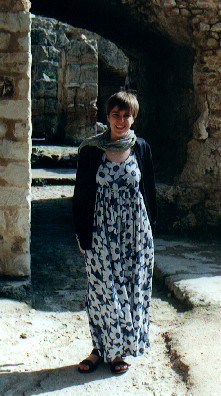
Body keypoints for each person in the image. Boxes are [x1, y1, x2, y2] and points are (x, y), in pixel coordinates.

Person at [73, 91, 157, 375]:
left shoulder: (141, 148)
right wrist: (82, 234)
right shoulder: (91, 150)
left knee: (131, 289)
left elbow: (150, 193)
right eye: (115, 115)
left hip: (135, 233)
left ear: (133, 118)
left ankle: (118, 351)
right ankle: (99, 349)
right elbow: (81, 195)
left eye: (127, 116)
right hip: (100, 231)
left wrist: (149, 233)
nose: (121, 121)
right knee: (101, 290)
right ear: (107, 116)